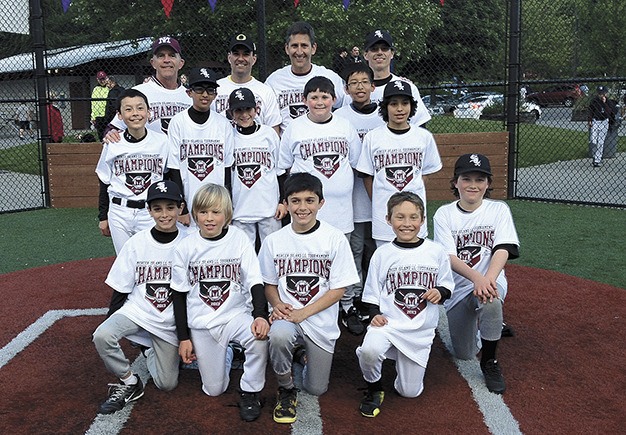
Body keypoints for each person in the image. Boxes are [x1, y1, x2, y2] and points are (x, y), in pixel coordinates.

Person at [258, 173, 359, 424]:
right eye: (295, 201)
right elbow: (269, 284)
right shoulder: (273, 241)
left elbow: (339, 290)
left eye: (309, 200)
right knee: (279, 335)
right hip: (288, 317)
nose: (302, 207)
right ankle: (285, 387)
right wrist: (277, 303)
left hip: (319, 319)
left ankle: (302, 352)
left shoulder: (334, 238)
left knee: (316, 389)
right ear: (286, 203)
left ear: (321, 203)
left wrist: (304, 313)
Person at [171, 183, 269, 422]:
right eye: (203, 212)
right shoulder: (185, 247)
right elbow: (179, 294)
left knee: (259, 337)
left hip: (234, 316)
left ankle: (250, 389)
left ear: (227, 214)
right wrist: (183, 337)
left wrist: (260, 315)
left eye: (216, 212)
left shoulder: (239, 239)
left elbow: (255, 280)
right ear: (194, 215)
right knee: (214, 390)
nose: (209, 218)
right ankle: (227, 354)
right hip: (202, 323)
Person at [356, 191, 454, 417]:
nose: (407, 223)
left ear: (422, 220)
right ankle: (374, 388)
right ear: (388, 220)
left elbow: (447, 285)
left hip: (419, 330)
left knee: (410, 392)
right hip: (389, 325)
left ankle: (402, 358)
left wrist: (439, 291)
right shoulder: (382, 254)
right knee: (369, 352)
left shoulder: (436, 251)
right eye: (400, 217)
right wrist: (374, 314)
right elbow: (371, 292)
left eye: (413, 217)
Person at [92, 180, 185, 415]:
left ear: (180, 208)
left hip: (171, 321)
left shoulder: (191, 241)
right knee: (102, 335)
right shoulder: (136, 243)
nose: (164, 214)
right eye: (157, 208)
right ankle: (130, 381)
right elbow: (121, 287)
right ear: (149, 211)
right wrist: (111, 321)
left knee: (167, 384)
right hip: (139, 311)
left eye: (170, 207)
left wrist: (187, 335)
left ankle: (149, 350)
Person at [433, 153, 520, 395]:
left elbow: (504, 248)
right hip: (459, 288)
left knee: (490, 301)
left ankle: (490, 361)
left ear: (488, 184)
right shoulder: (444, 214)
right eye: (467, 178)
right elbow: (448, 257)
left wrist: (487, 280)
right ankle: (491, 328)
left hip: (490, 281)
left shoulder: (498, 209)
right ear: (455, 182)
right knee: (464, 353)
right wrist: (477, 279)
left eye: (480, 179)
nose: (473, 185)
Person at [356, 80, 442, 247]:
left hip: (415, 214)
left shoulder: (423, 136)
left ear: (412, 106)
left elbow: (425, 173)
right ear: (385, 107)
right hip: (384, 217)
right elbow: (367, 176)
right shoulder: (373, 137)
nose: (400, 109)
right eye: (394, 104)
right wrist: (380, 203)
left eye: (405, 103)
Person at [335, 62, 384, 331]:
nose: (360, 87)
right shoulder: (341, 117)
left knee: (376, 251)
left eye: (364, 82)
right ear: (346, 89)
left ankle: (376, 299)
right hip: (352, 198)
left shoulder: (384, 116)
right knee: (354, 250)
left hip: (381, 198)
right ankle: (352, 301)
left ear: (373, 86)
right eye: (353, 83)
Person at [278, 76, 360, 236]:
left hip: (341, 212)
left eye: (325, 97)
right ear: (304, 100)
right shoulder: (294, 127)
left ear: (334, 99)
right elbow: (283, 167)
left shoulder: (345, 126)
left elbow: (356, 163)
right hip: (305, 211)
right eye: (314, 98)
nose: (320, 102)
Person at [95, 89, 170, 254]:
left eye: (140, 108)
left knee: (152, 261)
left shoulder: (162, 142)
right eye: (128, 109)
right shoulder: (113, 143)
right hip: (119, 211)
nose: (135, 113)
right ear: (120, 116)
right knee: (125, 262)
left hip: (150, 212)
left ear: (149, 112)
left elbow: (169, 177)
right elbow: (104, 180)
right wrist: (103, 216)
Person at [166, 67, 234, 230]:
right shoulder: (177, 122)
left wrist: (227, 204)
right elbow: (174, 168)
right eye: (199, 89)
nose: (205, 94)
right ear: (189, 92)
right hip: (188, 201)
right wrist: (182, 207)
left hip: (216, 202)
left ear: (215, 95)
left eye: (210, 90)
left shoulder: (223, 124)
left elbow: (227, 169)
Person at [228, 87, 287, 246]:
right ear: (231, 113)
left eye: (248, 109)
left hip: (269, 208)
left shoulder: (268, 134)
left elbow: (280, 172)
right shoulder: (229, 136)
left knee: (273, 254)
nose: (244, 114)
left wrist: (283, 201)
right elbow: (227, 176)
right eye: (238, 110)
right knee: (243, 260)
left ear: (256, 110)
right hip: (240, 210)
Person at [265, 21, 346, 133]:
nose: (299, 52)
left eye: (304, 46)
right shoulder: (273, 81)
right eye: (294, 46)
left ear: (313, 48)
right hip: (289, 146)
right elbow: (269, 123)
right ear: (286, 48)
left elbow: (346, 109)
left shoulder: (330, 77)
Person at [107, 36, 191, 136]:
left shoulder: (191, 96)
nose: (166, 60)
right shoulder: (137, 94)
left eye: (172, 55)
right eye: (161, 56)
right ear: (153, 63)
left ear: (181, 63)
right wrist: (111, 133)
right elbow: (113, 128)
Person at [357, 29, 430, 127]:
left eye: (384, 48)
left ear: (392, 53)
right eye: (374, 49)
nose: (379, 52)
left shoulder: (406, 87)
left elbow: (419, 125)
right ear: (365, 54)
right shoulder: (356, 89)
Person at [212, 33, 282, 135]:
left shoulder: (265, 91)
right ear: (229, 57)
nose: (240, 58)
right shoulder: (216, 88)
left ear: (254, 59)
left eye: (245, 54)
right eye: (236, 54)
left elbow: (273, 132)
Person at [588, 86, 614, 167]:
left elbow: (609, 112)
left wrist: (605, 103)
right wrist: (589, 120)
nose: (601, 95)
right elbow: (590, 110)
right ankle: (595, 155)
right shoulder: (594, 101)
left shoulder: (609, 102)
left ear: (606, 94)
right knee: (593, 140)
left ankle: (597, 159)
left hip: (604, 122)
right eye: (600, 94)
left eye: (603, 93)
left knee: (601, 142)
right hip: (596, 121)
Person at [91, 70, 110, 140]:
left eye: (103, 79)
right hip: (98, 116)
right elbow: (93, 104)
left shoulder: (109, 88)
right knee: (101, 136)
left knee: (108, 133)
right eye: (100, 79)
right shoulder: (96, 89)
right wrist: (93, 117)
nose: (102, 81)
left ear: (106, 78)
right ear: (97, 79)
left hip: (107, 115)